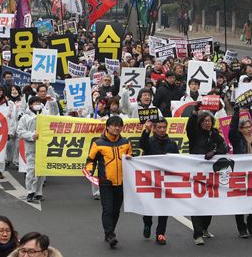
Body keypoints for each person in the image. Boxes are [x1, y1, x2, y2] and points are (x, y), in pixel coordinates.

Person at [85, 116, 132, 248]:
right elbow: (90, 160)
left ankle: (110, 232)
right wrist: (89, 171)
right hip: (106, 181)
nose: (117, 128)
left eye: (119, 126)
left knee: (116, 210)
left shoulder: (126, 142)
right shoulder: (98, 143)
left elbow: (131, 158)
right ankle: (110, 234)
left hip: (122, 181)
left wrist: (130, 158)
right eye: (114, 125)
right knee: (108, 209)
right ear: (107, 127)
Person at [186, 103, 228, 245]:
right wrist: (194, 113)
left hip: (211, 175)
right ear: (200, 123)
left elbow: (224, 147)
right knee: (197, 203)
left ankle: (204, 229)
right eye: (204, 121)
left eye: (209, 121)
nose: (207, 123)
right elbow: (189, 127)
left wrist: (215, 152)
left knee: (210, 203)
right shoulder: (194, 134)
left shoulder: (215, 134)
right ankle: (197, 234)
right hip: (197, 174)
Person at [139, 117, 179, 245]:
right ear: (154, 129)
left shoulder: (172, 144)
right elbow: (142, 145)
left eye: (164, 127)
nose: (162, 130)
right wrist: (146, 131)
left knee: (164, 208)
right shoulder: (149, 142)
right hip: (150, 179)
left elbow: (178, 161)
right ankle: (147, 223)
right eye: (159, 127)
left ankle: (160, 233)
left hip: (165, 180)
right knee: (148, 206)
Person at [17, 96, 58, 202]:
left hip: (44, 146)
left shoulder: (44, 114)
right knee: (31, 170)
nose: (38, 105)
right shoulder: (25, 117)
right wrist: (31, 135)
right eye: (35, 103)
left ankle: (38, 192)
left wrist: (52, 101)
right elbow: (20, 131)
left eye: (39, 103)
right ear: (30, 105)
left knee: (41, 171)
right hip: (31, 147)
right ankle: (30, 191)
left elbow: (54, 113)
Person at [228, 107, 252, 238]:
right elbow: (232, 129)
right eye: (245, 127)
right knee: (239, 201)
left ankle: (251, 224)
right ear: (240, 129)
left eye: (249, 127)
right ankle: (241, 228)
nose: (248, 129)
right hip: (240, 173)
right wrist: (236, 113)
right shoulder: (237, 139)